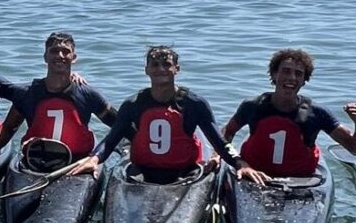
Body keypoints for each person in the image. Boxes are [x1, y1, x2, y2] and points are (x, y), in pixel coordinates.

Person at [68, 45, 269, 185]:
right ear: (146, 70)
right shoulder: (133, 104)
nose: (161, 69)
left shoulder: (194, 103)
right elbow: (112, 139)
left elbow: (218, 141)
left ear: (177, 69)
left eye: (167, 64)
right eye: (155, 65)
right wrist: (94, 159)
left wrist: (240, 164)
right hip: (142, 171)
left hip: (184, 172)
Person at [0, 32, 118, 163]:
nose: (60, 55)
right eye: (54, 51)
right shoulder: (27, 93)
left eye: (65, 51)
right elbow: (8, 128)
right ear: (45, 56)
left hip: (76, 163)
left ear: (74, 57)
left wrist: (96, 157)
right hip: (36, 161)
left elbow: (119, 127)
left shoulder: (87, 94)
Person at [220, 48, 356, 177]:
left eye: (298, 74)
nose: (292, 78)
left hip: (300, 181)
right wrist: (237, 162)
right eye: (286, 71)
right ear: (274, 74)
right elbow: (225, 134)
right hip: (254, 174)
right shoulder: (252, 106)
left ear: (304, 81)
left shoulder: (316, 113)